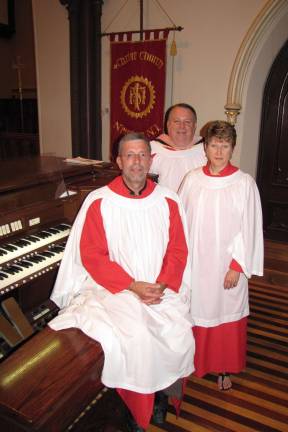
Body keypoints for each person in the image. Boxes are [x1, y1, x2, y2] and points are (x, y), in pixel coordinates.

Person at [49, 132, 195, 431]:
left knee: (179, 331)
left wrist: (162, 284)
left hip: (160, 287)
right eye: (130, 155)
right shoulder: (99, 201)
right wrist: (133, 286)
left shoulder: (168, 200)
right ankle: (135, 411)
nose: (137, 161)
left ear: (151, 159)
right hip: (115, 289)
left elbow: (179, 249)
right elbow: (93, 256)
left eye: (142, 154)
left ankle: (161, 397)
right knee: (137, 336)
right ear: (119, 161)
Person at [179, 120, 263, 391]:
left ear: (232, 148)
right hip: (197, 263)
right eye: (214, 145)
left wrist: (237, 266)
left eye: (224, 145)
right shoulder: (192, 179)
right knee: (196, 310)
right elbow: (179, 221)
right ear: (205, 147)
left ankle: (224, 368)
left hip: (227, 265)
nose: (218, 151)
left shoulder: (243, 183)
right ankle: (195, 362)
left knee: (226, 313)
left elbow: (249, 227)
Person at [149, 103, 206, 192]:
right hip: (164, 204)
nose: (182, 127)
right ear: (168, 125)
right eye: (176, 121)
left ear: (194, 126)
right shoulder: (151, 149)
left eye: (187, 122)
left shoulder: (207, 151)